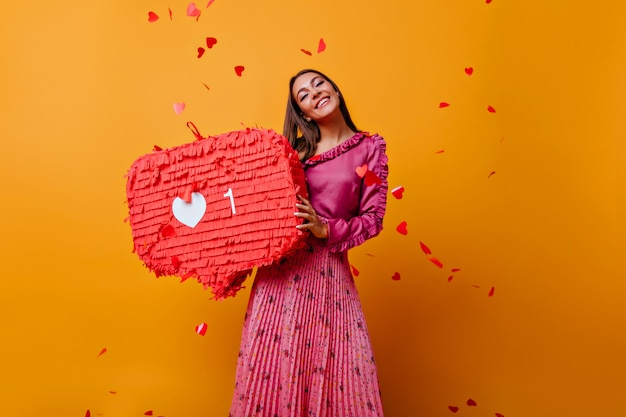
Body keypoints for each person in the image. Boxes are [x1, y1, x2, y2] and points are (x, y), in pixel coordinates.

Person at [229, 69, 388, 417]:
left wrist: (325, 228)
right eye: (304, 95)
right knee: (271, 366)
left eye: (318, 84)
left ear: (334, 87)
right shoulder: (293, 154)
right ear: (303, 113)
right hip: (279, 275)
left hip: (328, 274)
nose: (315, 93)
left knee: (339, 369)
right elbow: (261, 210)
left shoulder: (367, 151)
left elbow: (372, 218)